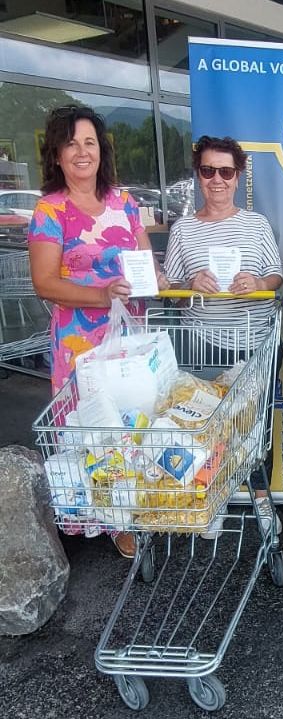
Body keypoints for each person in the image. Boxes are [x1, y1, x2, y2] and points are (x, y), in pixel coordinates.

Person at [28, 104, 168, 559]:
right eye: (71, 143)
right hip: (79, 341)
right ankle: (110, 518)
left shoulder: (124, 202)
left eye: (89, 142)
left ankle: (133, 505)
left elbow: (145, 264)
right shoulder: (50, 210)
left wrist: (158, 280)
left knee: (134, 418)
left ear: (101, 151)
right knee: (93, 427)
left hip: (129, 334)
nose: (82, 152)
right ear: (57, 154)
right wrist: (103, 293)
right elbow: (45, 282)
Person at [163, 135, 283, 538]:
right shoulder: (182, 230)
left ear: (238, 177)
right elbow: (172, 291)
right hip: (205, 343)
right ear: (198, 175)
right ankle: (212, 498)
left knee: (255, 429)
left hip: (256, 343)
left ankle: (262, 502)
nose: (217, 179)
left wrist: (258, 281)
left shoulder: (256, 224)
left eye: (226, 171)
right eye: (208, 170)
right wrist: (189, 283)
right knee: (209, 429)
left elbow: (276, 275)